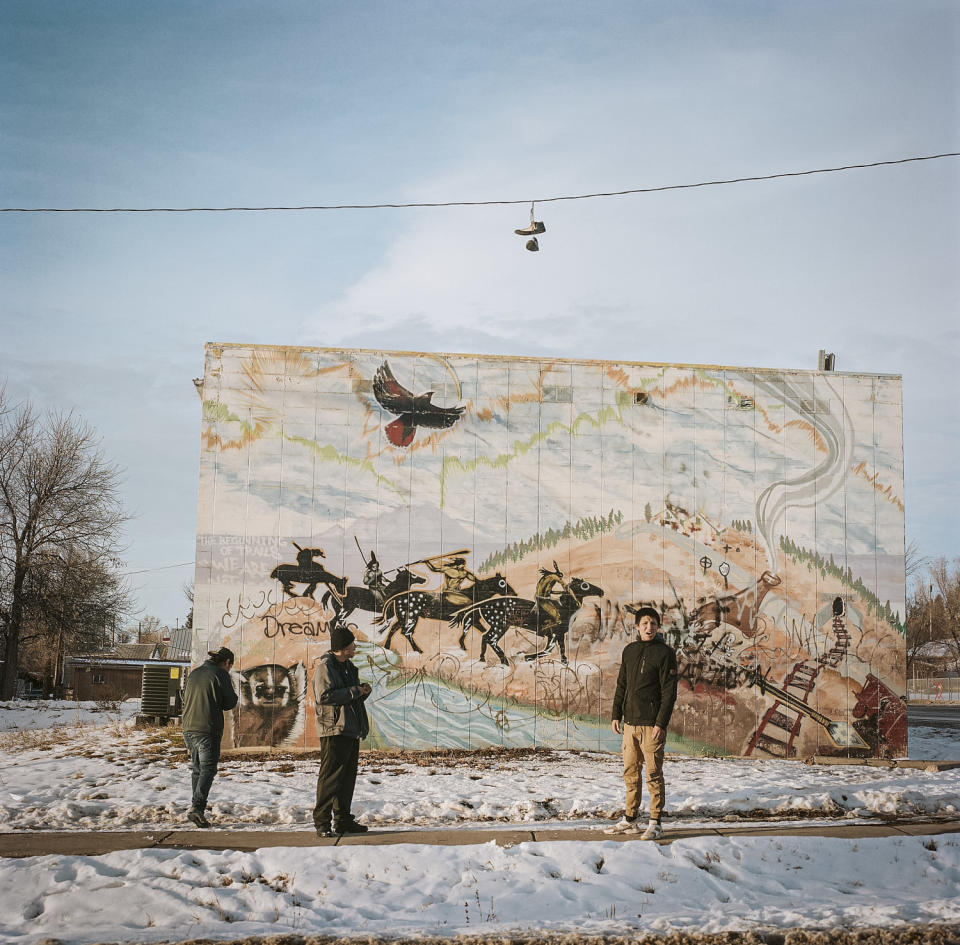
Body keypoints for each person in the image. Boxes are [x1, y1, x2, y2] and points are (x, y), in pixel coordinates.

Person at [605, 606, 678, 840]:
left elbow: (669, 692)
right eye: (645, 623)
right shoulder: (630, 651)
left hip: (652, 726)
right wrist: (616, 714)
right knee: (630, 773)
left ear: (658, 627)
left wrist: (661, 723)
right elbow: (622, 685)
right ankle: (630, 819)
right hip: (630, 724)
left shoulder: (665, 653)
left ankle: (655, 822)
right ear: (637, 626)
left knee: (654, 774)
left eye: (653, 624)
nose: (649, 627)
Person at [312, 624, 372, 837]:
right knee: (330, 778)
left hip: (350, 728)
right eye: (351, 644)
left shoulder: (348, 667)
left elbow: (349, 696)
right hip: (334, 729)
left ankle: (343, 820)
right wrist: (355, 691)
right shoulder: (326, 668)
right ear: (342, 647)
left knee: (347, 779)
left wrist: (362, 691)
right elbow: (325, 696)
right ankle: (322, 823)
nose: (354, 647)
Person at [181, 646, 239, 828]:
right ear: (227, 662)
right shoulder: (220, 674)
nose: (229, 669)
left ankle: (196, 808)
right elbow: (230, 702)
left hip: (188, 728)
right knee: (208, 769)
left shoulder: (195, 673)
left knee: (198, 769)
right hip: (207, 728)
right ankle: (197, 809)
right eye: (230, 666)